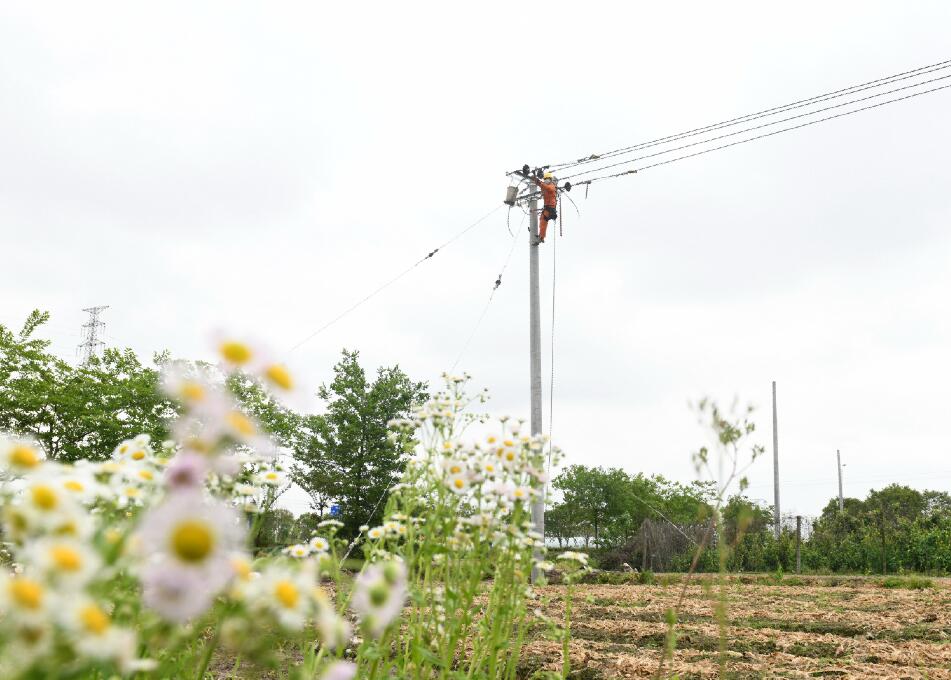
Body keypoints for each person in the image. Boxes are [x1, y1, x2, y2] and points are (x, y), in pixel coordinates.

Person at [533, 172, 558, 243]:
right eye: (545, 179)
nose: (546, 180)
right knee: (542, 219)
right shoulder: (546, 186)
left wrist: (539, 183)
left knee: (543, 221)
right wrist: (536, 181)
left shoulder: (551, 185)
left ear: (550, 179)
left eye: (547, 179)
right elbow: (543, 188)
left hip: (550, 208)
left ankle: (541, 237)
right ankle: (541, 235)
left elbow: (546, 187)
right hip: (548, 207)